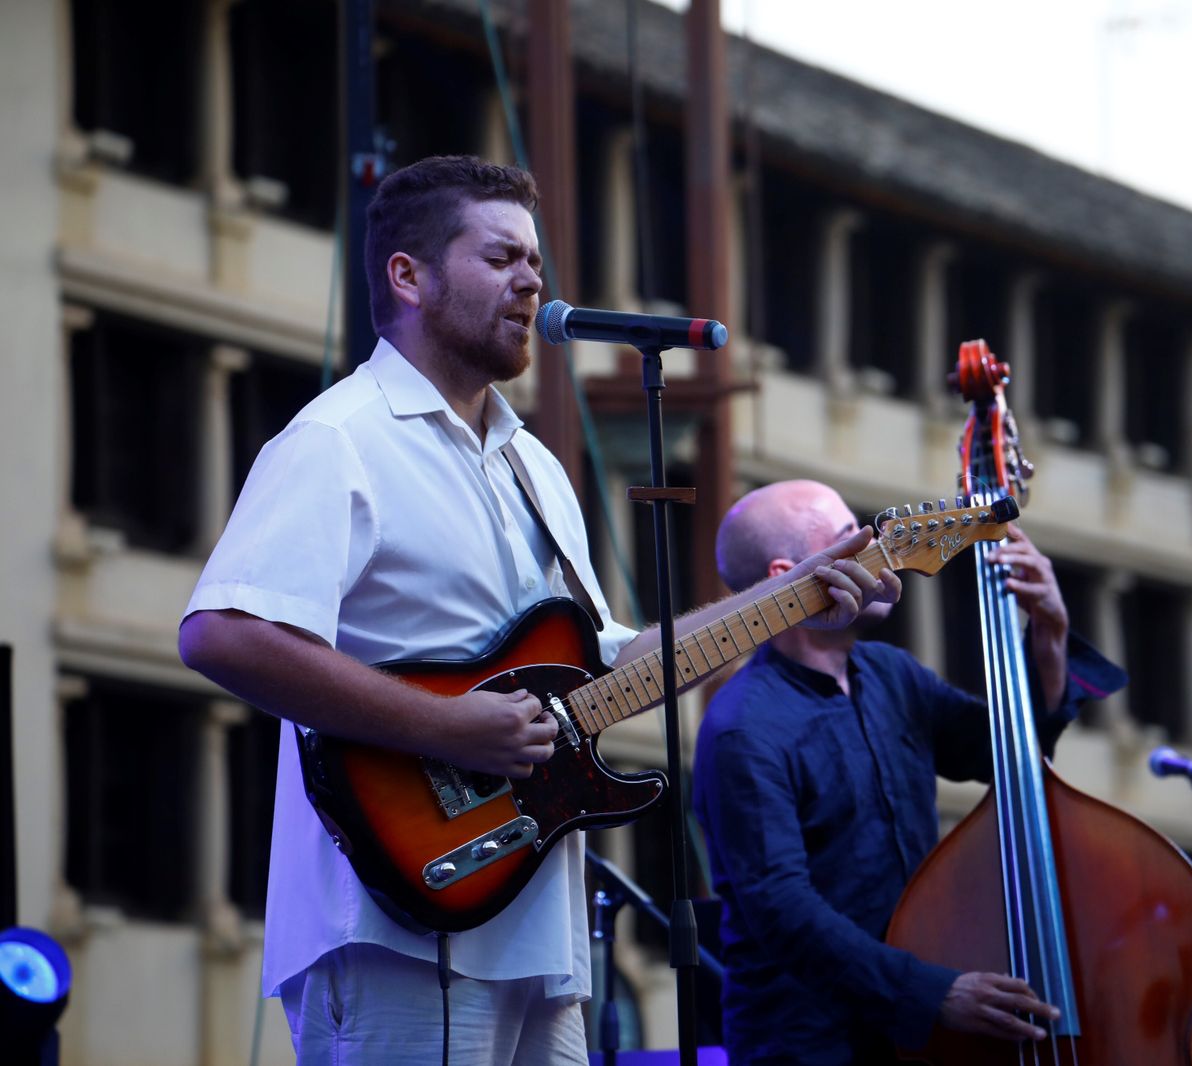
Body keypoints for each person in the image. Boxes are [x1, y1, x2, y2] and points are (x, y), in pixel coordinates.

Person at [177, 156, 894, 1066]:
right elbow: (221, 634)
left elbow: (606, 665)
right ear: (410, 275)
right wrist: (448, 728)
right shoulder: (336, 439)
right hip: (395, 924)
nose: (532, 281)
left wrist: (798, 591)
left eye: (538, 265)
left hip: (538, 935)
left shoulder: (535, 467)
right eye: (502, 258)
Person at [692, 479, 1128, 1065]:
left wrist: (1048, 631)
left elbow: (1002, 751)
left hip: (913, 1038)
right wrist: (934, 992)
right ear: (785, 576)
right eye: (851, 537)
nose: (879, 547)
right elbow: (783, 910)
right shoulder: (743, 727)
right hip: (808, 1043)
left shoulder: (892, 673)